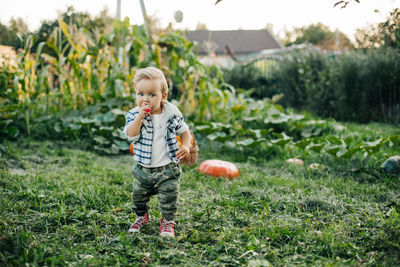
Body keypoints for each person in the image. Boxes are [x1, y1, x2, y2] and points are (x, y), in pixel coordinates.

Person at [123, 67, 191, 238]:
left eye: (152, 94)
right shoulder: (133, 114)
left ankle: (168, 222)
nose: (145, 99)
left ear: (163, 96)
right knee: (138, 197)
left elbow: (184, 131)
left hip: (167, 168)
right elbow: (131, 135)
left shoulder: (171, 113)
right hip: (143, 168)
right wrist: (140, 117)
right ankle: (141, 216)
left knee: (169, 198)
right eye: (140, 94)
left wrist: (186, 145)